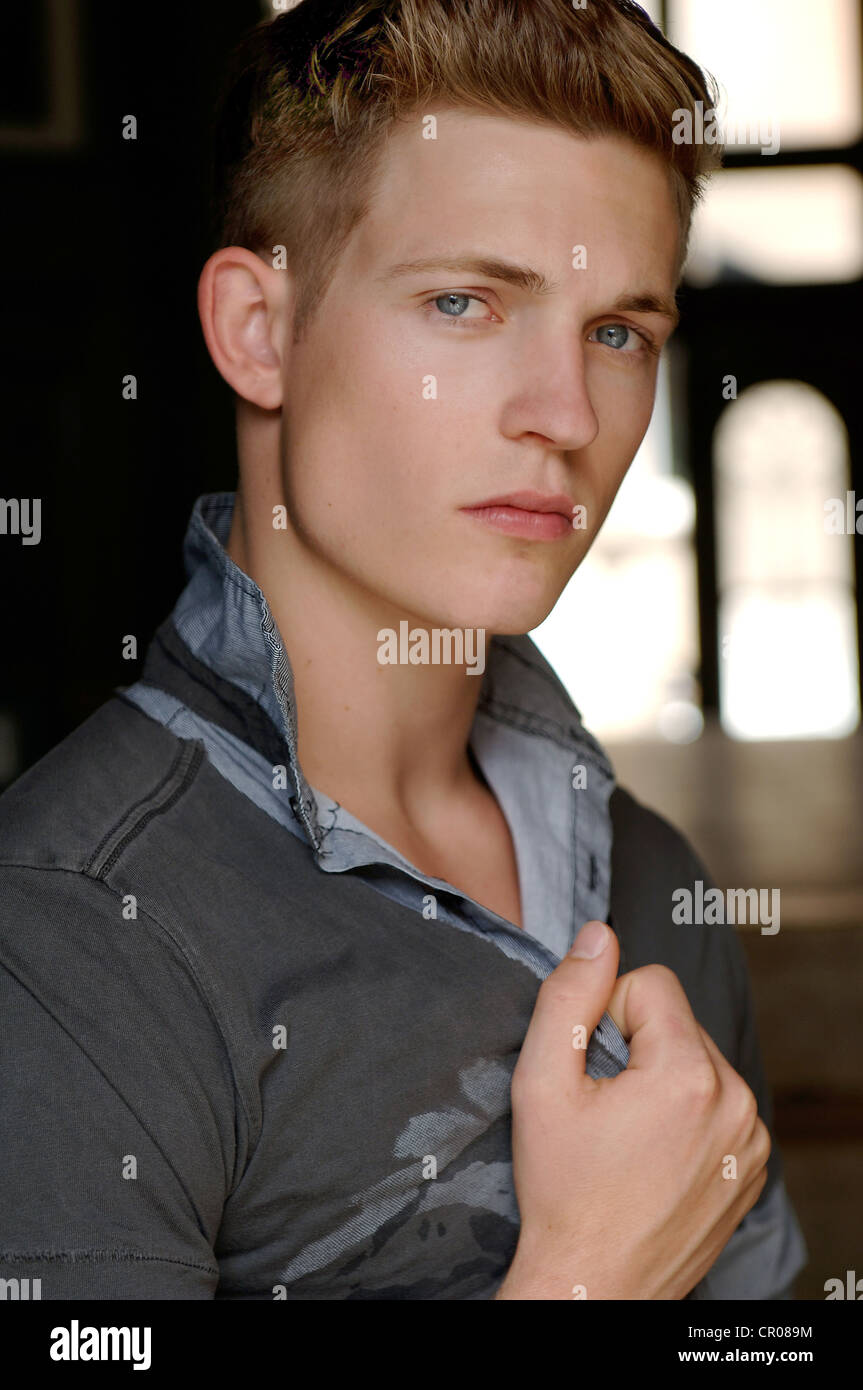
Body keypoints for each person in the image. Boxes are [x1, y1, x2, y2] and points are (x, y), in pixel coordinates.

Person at [0, 0, 806, 1299]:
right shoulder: (65, 932)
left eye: (619, 334)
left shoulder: (653, 875)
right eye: (464, 302)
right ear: (260, 330)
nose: (565, 415)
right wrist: (586, 1279)